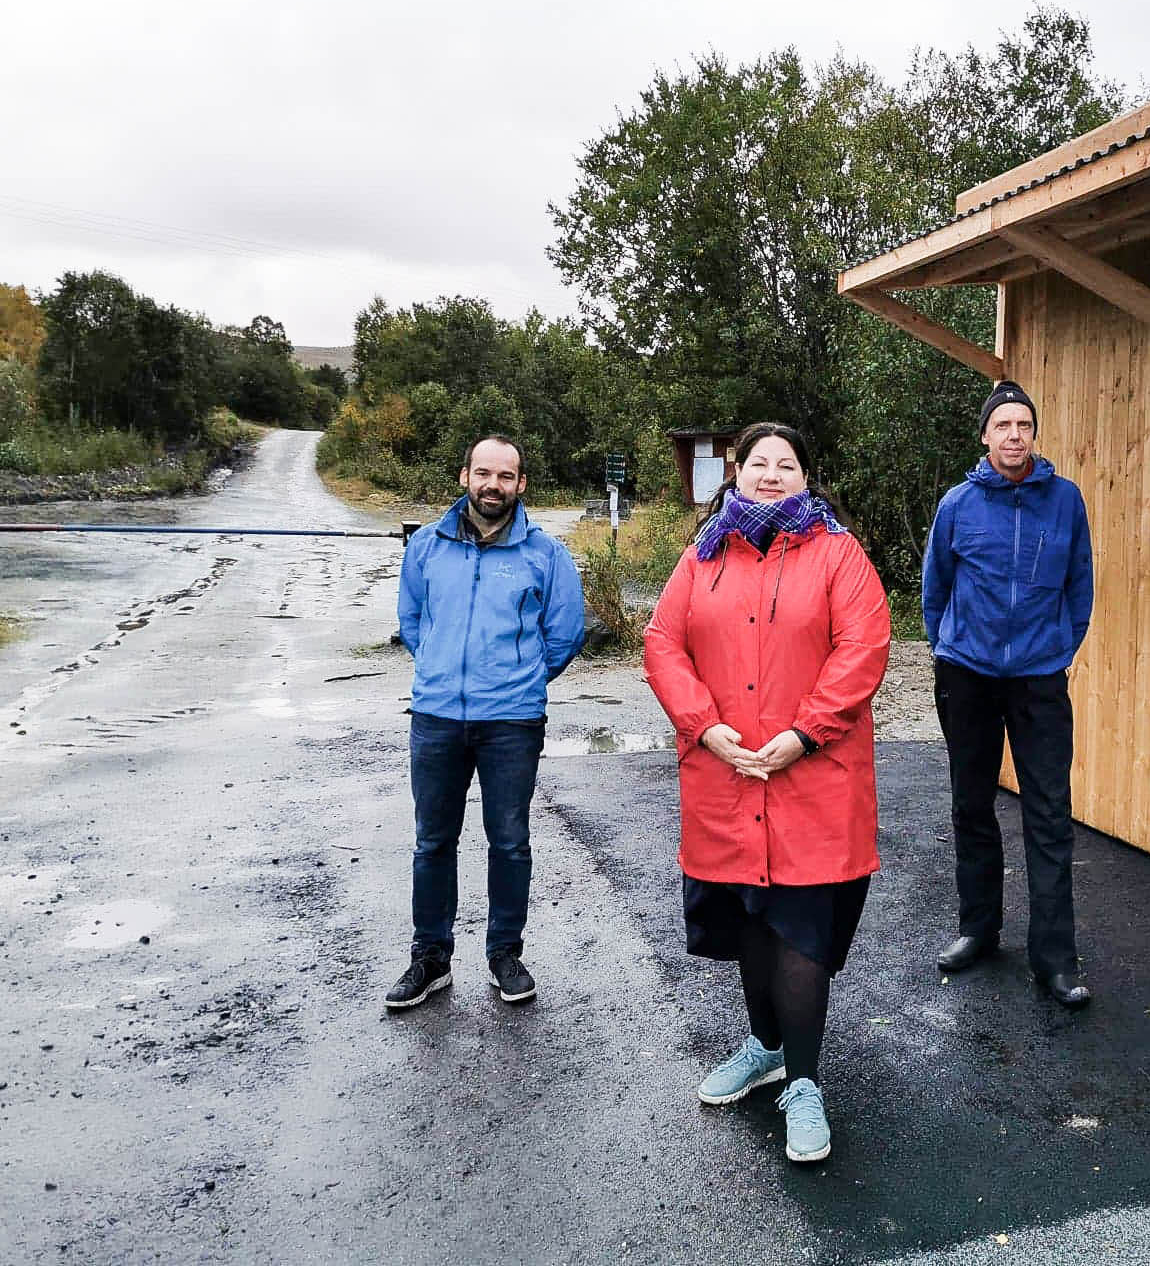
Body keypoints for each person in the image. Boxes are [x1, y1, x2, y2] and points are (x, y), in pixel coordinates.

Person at [643, 422, 890, 1164]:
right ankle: (765, 1047)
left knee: (801, 931)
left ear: (806, 478)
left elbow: (864, 646)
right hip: (727, 773)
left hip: (812, 780)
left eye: (787, 464)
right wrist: (704, 726)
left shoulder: (838, 553)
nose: (772, 474)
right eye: (759, 463)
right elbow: (663, 643)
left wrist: (806, 733)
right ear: (738, 474)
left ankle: (804, 1083)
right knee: (750, 923)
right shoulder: (704, 554)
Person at [383, 435, 588, 1011]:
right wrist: (442, 669)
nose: (492, 485)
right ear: (465, 476)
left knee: (510, 842)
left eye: (505, 476)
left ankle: (504, 955)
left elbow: (566, 632)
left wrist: (521, 680)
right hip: (437, 717)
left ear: (520, 484)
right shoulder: (427, 546)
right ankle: (430, 958)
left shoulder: (545, 554)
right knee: (432, 842)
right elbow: (413, 621)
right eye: (483, 473)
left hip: (512, 722)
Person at [922, 380, 1095, 1008]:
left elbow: (1080, 585)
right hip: (967, 675)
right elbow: (935, 589)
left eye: (1023, 424)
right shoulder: (958, 504)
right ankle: (978, 929)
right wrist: (950, 649)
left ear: (1034, 434)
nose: (1014, 435)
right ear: (985, 436)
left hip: (1038, 679)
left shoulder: (1065, 500)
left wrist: (1057, 648)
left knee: (1048, 812)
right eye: (1003, 425)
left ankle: (1055, 960)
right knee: (971, 804)